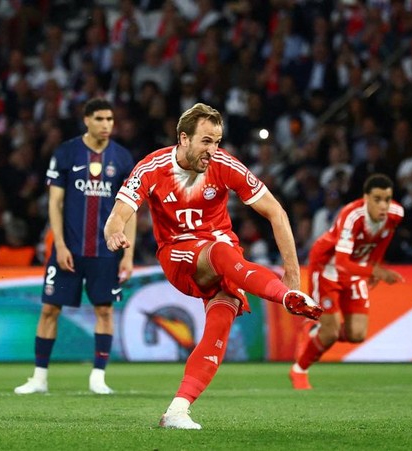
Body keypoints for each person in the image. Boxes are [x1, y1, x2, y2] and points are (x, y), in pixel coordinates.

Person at [103, 103, 322, 430]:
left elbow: (276, 212)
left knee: (219, 328)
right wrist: (115, 232)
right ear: (184, 138)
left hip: (225, 258)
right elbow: (118, 214)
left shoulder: (223, 164)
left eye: (218, 141)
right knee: (221, 250)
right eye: (206, 141)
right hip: (179, 256)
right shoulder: (152, 167)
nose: (213, 150)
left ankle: (177, 410)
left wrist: (293, 275)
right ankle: (281, 296)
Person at [14, 98, 136, 395]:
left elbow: (130, 208)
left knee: (104, 311)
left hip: (105, 252)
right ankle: (39, 377)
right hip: (68, 249)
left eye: (110, 119)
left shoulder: (122, 158)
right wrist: (59, 245)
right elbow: (54, 203)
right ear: (86, 120)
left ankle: (98, 377)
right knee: (49, 310)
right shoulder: (66, 152)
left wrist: (128, 256)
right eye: (100, 119)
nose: (106, 125)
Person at [290, 174, 405, 390]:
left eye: (387, 199)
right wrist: (375, 271)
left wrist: (373, 266)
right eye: (378, 199)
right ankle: (299, 369)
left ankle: (317, 332)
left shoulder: (396, 214)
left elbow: (383, 239)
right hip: (328, 268)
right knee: (331, 333)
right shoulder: (351, 216)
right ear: (366, 198)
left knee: (357, 335)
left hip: (355, 267)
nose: (384, 205)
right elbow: (342, 263)